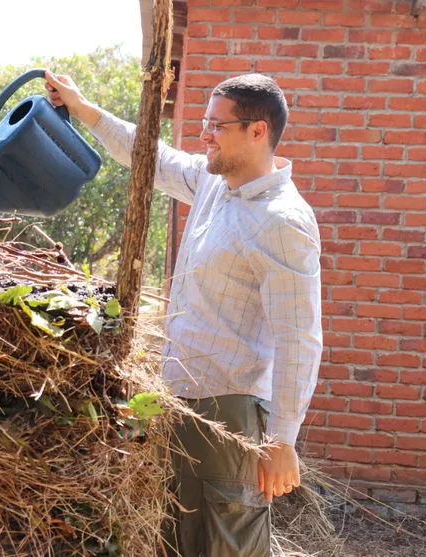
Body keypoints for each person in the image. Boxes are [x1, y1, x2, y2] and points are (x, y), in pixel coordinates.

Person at [44, 70, 323, 556]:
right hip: (179, 400)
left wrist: (282, 440)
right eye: (205, 122)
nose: (204, 134)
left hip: (231, 414)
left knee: (226, 545)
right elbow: (150, 155)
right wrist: (83, 107)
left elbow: (299, 337)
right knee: (174, 539)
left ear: (257, 132)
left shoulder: (282, 220)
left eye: (217, 125)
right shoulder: (215, 185)